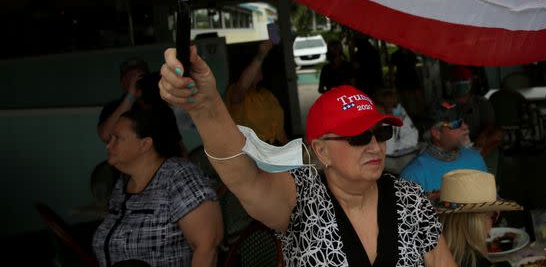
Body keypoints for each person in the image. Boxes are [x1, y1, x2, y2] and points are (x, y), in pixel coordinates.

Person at [159, 47, 456, 266]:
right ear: (321, 150)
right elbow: (243, 177)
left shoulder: (409, 198)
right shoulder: (302, 197)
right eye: (359, 137)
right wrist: (205, 104)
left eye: (381, 133)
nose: (375, 146)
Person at [92, 107, 222, 267]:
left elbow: (207, 247)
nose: (108, 146)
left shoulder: (179, 176)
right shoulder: (123, 182)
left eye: (117, 138)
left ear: (145, 144)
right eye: (110, 138)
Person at [437, 170, 546, 267]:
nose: (491, 227)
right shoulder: (470, 261)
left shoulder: (444, 252)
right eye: (492, 216)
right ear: (475, 222)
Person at [401, 100, 487, 195]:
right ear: (436, 133)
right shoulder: (413, 175)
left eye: (464, 120)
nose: (465, 127)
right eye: (457, 123)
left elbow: (493, 202)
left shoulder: (475, 158)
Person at [225, 39, 288, 145]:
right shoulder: (235, 93)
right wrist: (261, 55)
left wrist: (289, 149)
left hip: (276, 150)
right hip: (253, 155)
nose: (259, 69)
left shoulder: (266, 94)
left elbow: (280, 130)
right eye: (255, 67)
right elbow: (243, 85)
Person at [97, 58, 149, 143]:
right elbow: (105, 135)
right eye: (130, 77)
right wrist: (131, 96)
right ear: (122, 82)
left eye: (140, 77)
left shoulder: (159, 104)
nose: (136, 81)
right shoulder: (113, 107)